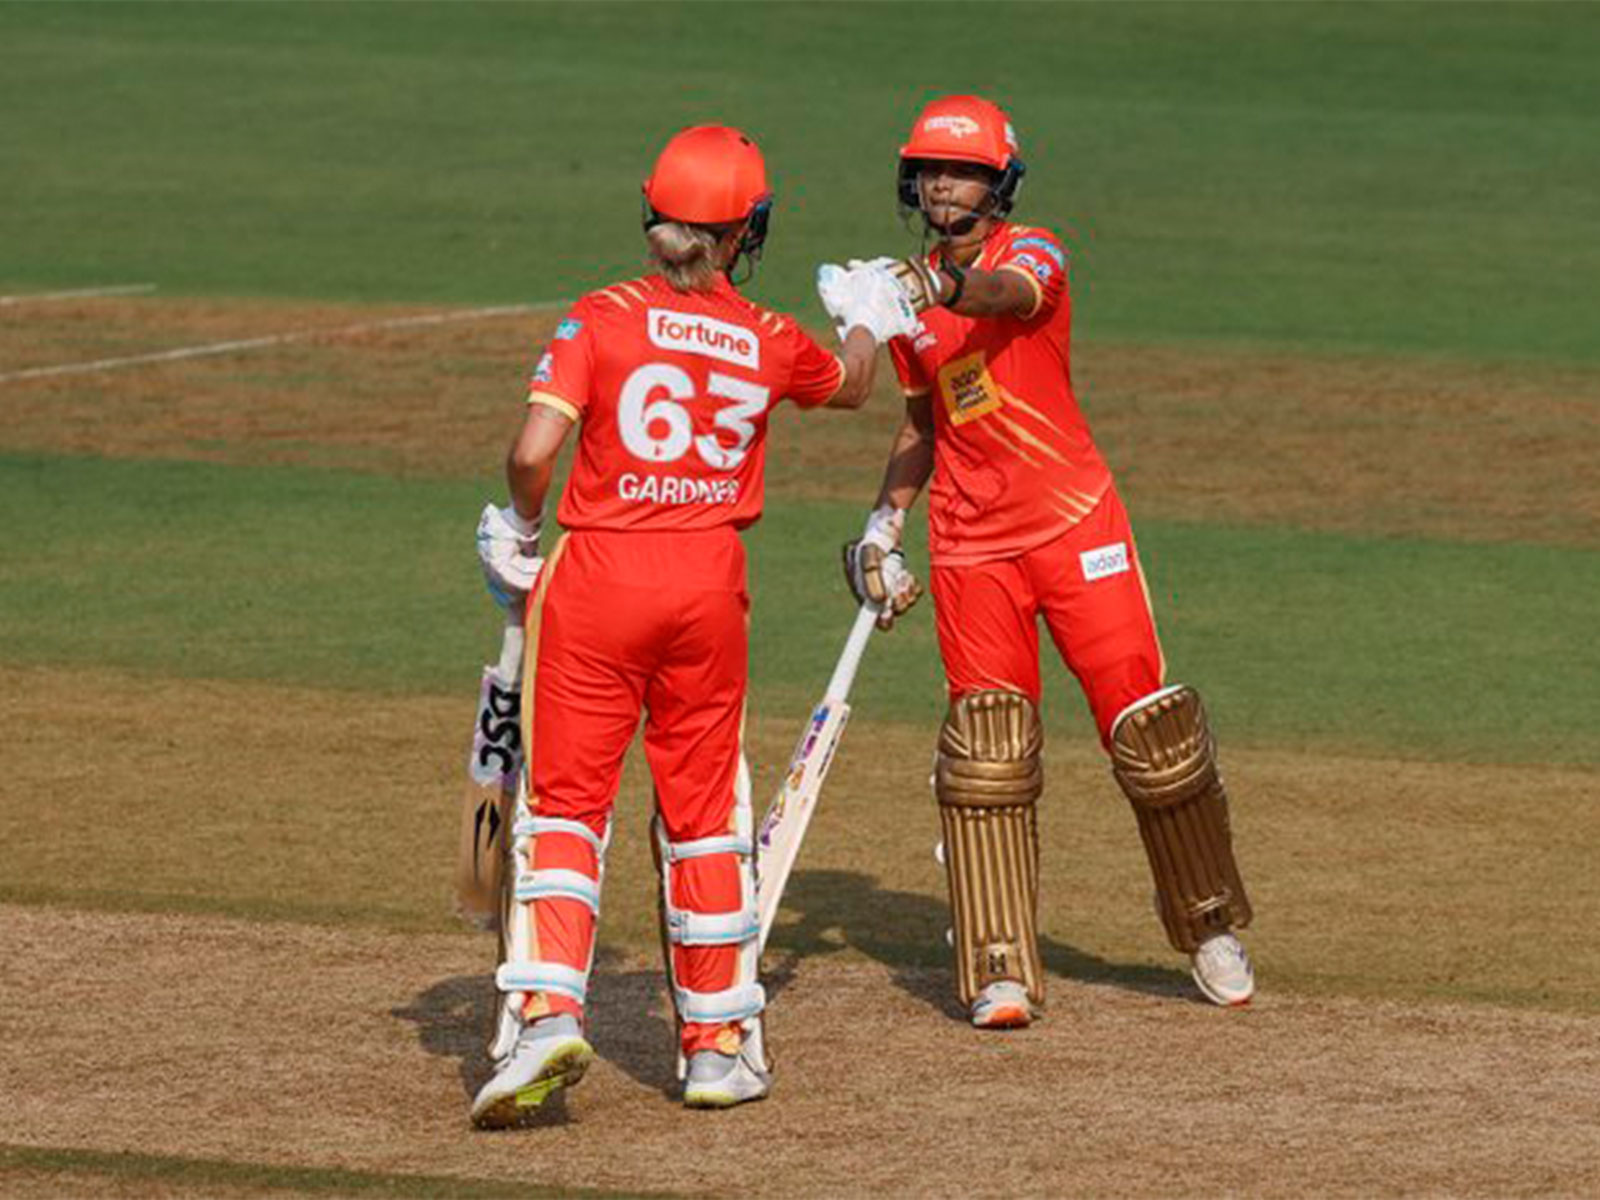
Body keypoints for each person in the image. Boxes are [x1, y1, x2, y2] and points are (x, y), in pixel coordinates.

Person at [469, 124, 918, 1126]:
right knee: (705, 808)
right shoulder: (765, 336)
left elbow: (535, 447)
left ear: (652, 216)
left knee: (565, 807)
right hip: (709, 585)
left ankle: (545, 1018)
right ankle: (716, 1042)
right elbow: (851, 387)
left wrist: (519, 527)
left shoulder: (602, 315)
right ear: (743, 231)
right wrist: (869, 322)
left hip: (596, 578)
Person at [824, 95, 1255, 1030]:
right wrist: (883, 530)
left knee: (1150, 733)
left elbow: (1010, 299)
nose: (944, 184)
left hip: (1072, 523)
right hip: (972, 545)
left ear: (999, 183)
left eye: (963, 170)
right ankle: (998, 962)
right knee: (988, 751)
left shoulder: (1034, 253)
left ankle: (1208, 922)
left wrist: (924, 292)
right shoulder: (907, 295)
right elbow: (921, 421)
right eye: (932, 169)